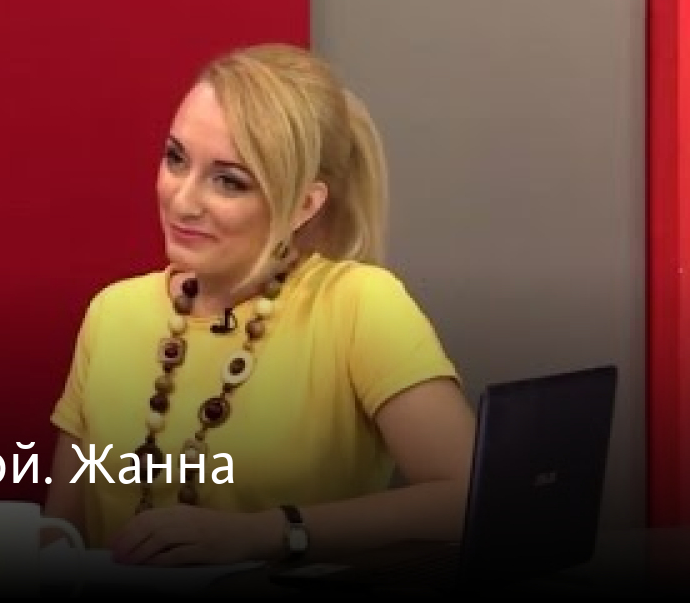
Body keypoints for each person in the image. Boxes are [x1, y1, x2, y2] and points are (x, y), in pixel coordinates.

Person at [42, 43, 475, 567]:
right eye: (176, 158)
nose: (183, 200)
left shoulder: (357, 304)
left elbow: (469, 499)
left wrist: (267, 533)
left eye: (229, 181)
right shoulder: (112, 313)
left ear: (304, 205)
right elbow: (60, 535)